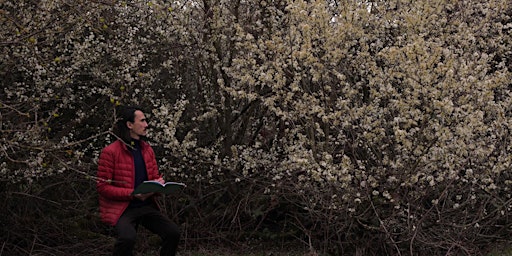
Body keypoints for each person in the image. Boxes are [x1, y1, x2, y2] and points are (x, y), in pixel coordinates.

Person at [97, 106, 180, 256]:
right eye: (142, 121)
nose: (146, 125)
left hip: (146, 205)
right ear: (130, 125)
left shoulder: (147, 150)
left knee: (173, 232)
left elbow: (154, 176)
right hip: (124, 208)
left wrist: (159, 184)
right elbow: (103, 187)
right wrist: (132, 194)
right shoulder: (110, 152)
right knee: (127, 239)